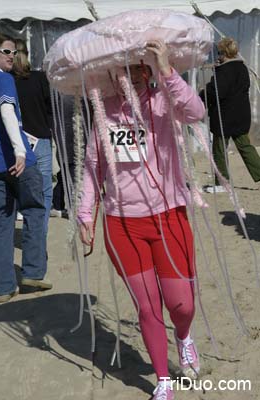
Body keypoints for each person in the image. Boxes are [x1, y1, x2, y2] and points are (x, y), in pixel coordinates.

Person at [78, 39, 205, 400]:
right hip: (123, 224)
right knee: (148, 306)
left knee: (182, 304)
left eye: (139, 67)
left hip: (169, 218)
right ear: (113, 72)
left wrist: (167, 69)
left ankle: (183, 336)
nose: (131, 74)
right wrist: (85, 213)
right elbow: (92, 165)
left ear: (147, 70)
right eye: (123, 68)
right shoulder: (104, 113)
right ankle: (163, 381)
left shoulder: (165, 100)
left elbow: (196, 112)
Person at [0, 33, 52, 304]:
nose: (11, 56)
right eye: (6, 51)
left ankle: (4, 286)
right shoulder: (4, 79)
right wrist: (19, 150)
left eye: (14, 52)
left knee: (1, 224)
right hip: (18, 160)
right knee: (36, 211)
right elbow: (7, 111)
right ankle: (32, 272)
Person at [200, 37, 260, 193]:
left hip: (224, 117)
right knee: (245, 147)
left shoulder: (224, 71)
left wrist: (201, 97)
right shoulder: (242, 68)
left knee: (219, 150)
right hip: (241, 115)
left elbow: (216, 91)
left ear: (222, 53)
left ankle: (222, 183)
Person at [12, 38, 53, 233]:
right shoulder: (39, 78)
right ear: (28, 54)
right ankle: (39, 235)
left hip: (14, 142)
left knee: (14, 189)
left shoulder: (5, 80)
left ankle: (12, 232)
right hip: (40, 140)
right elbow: (50, 109)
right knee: (43, 190)